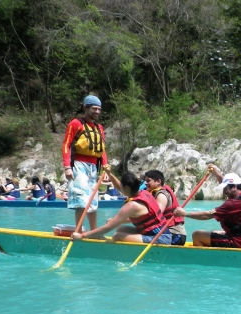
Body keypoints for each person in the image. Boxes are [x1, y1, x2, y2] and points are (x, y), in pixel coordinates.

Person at [71, 172, 170, 244]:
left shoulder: (131, 206)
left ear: (127, 188)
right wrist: (110, 173)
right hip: (155, 233)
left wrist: (82, 235)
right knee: (120, 228)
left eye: (122, 187)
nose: (120, 189)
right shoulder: (144, 193)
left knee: (117, 236)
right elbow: (121, 187)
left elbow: (107, 228)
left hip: (161, 238)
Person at [174, 172, 241, 248]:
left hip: (237, 242)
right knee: (213, 232)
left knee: (197, 235)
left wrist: (185, 214)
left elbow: (207, 215)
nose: (224, 192)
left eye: (225, 188)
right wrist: (216, 173)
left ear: (234, 187)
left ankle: (206, 262)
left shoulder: (233, 203)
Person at [62, 94, 108, 230]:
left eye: (99, 109)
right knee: (82, 200)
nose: (97, 112)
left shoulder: (99, 127)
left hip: (93, 167)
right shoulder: (75, 124)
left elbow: (102, 150)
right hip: (78, 165)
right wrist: (67, 167)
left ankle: (94, 231)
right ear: (85, 108)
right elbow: (66, 145)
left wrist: (105, 168)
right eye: (94, 109)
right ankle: (78, 230)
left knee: (93, 200)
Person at [143, 169, 187, 245]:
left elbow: (155, 215)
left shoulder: (161, 194)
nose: (145, 183)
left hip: (175, 236)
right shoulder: (155, 193)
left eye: (148, 181)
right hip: (168, 234)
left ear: (158, 181)